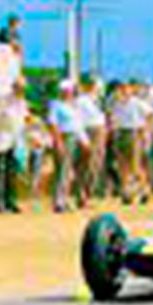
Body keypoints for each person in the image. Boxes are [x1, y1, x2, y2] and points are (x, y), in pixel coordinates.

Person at [48, 80, 89, 213]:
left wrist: (84, 141)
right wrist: (58, 142)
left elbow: (78, 125)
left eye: (69, 90)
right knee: (64, 170)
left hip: (76, 138)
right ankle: (60, 201)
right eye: (65, 91)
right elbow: (53, 125)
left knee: (73, 171)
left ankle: (73, 197)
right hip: (66, 137)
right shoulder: (56, 105)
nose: (67, 93)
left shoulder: (75, 106)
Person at [0, 80, 28, 213]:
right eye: (19, 88)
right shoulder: (2, 100)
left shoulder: (22, 103)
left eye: (23, 88)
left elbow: (22, 122)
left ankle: (10, 201)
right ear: (14, 87)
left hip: (15, 141)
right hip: (0, 140)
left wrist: (24, 141)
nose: (22, 90)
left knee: (12, 173)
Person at [112, 82, 153, 204]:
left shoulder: (137, 102)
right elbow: (114, 118)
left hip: (134, 132)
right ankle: (126, 192)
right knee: (122, 165)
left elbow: (150, 114)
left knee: (136, 165)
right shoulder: (117, 104)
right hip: (120, 133)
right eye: (121, 88)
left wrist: (146, 129)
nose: (123, 91)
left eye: (126, 88)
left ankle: (144, 190)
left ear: (131, 89)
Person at [75, 79, 107, 201]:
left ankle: (88, 191)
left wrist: (105, 130)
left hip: (100, 130)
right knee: (87, 162)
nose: (94, 88)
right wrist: (82, 136)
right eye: (92, 85)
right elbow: (78, 119)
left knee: (97, 162)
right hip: (88, 130)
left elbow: (102, 116)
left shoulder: (98, 100)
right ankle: (81, 191)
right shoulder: (81, 100)